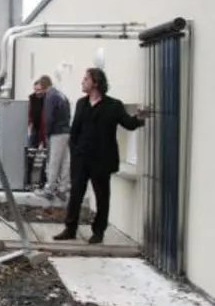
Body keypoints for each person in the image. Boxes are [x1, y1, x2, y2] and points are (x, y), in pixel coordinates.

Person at [54, 68, 148, 244]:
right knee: (75, 194)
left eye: (85, 79)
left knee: (102, 197)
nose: (82, 82)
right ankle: (70, 229)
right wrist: (75, 151)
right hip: (81, 159)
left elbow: (129, 124)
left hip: (102, 160)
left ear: (95, 83)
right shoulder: (81, 103)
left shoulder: (114, 105)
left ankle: (98, 232)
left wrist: (141, 118)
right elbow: (75, 131)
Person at [33, 75, 72, 202]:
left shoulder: (50, 96)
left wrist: (47, 134)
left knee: (54, 161)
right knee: (66, 161)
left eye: (39, 89)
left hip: (56, 133)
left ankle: (49, 190)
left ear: (44, 86)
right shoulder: (61, 95)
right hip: (66, 132)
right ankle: (62, 190)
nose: (38, 92)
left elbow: (49, 117)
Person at [26, 80, 47, 187]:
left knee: (45, 155)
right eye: (35, 90)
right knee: (30, 154)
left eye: (39, 90)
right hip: (35, 128)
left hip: (45, 129)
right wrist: (29, 126)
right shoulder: (32, 98)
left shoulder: (47, 98)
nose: (37, 92)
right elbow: (29, 113)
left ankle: (43, 181)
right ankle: (28, 181)